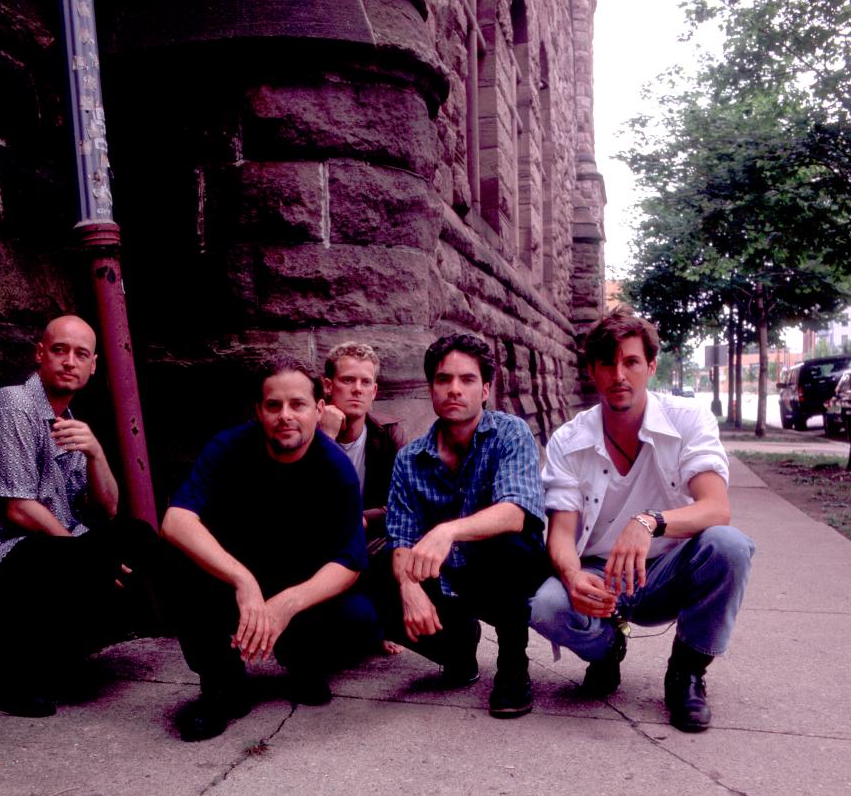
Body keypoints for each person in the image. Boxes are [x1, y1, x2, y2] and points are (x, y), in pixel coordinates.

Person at [529, 307, 755, 732]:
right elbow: (561, 532)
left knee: (729, 545)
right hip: (602, 575)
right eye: (607, 363)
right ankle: (606, 649)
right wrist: (572, 575)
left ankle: (686, 672)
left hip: (670, 570)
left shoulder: (688, 419)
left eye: (631, 361)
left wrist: (649, 521)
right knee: (546, 605)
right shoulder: (570, 440)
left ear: (650, 366)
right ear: (592, 371)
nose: (620, 374)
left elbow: (715, 507)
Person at [0, 314, 159, 717]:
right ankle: (10, 678)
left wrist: (96, 454)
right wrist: (87, 561)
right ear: (40, 355)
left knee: (138, 536)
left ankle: (57, 660)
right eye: (60, 350)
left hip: (42, 550)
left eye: (81, 354)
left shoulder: (68, 421)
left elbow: (106, 509)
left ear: (93, 367)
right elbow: (18, 508)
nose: (69, 361)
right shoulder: (12, 406)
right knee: (74, 560)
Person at [161, 355, 379, 742]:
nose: (285, 415)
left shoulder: (335, 469)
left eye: (298, 404)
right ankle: (222, 685)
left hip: (297, 580)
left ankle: (303, 660)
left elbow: (350, 560)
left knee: (360, 616)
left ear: (319, 409)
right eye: (274, 405)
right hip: (233, 576)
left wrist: (287, 604)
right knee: (176, 568)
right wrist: (242, 580)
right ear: (258, 411)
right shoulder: (228, 447)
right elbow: (176, 520)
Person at [385, 334, 549, 718]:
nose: (454, 390)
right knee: (378, 575)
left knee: (512, 541)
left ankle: (513, 664)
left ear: (486, 389)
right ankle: (457, 648)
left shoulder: (510, 433)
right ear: (431, 389)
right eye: (443, 380)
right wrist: (409, 588)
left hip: (504, 572)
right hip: (446, 578)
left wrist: (447, 531)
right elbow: (400, 537)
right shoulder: (410, 458)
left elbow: (516, 511)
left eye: (467, 379)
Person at [319, 341, 405, 653]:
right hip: (317, 548)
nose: (357, 389)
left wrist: (364, 520)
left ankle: (381, 620)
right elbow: (302, 501)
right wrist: (325, 439)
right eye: (347, 380)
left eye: (365, 382)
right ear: (328, 386)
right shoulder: (307, 433)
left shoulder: (388, 435)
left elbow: (402, 505)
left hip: (366, 545)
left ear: (374, 390)